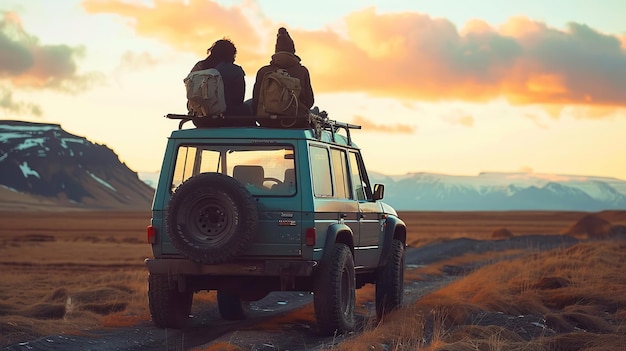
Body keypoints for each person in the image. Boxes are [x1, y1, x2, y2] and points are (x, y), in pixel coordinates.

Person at [252, 27, 314, 117]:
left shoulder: (264, 71)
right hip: (296, 121)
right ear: (293, 51)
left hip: (267, 121)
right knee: (314, 111)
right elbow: (309, 102)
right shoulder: (302, 71)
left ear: (276, 51)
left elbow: (256, 101)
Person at [191, 38, 250, 116]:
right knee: (250, 105)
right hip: (226, 117)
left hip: (198, 118)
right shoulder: (235, 70)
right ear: (231, 54)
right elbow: (239, 99)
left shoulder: (198, 67)